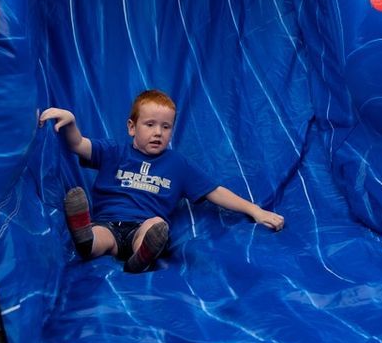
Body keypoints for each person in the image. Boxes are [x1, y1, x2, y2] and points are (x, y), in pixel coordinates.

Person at [38, 89, 284, 272]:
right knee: (100, 237)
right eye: (150, 125)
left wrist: (255, 210)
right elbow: (78, 145)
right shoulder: (113, 152)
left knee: (155, 226)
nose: (158, 132)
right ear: (132, 127)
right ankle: (86, 241)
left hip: (143, 226)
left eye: (166, 127)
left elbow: (215, 191)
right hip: (108, 223)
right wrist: (70, 121)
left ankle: (142, 257)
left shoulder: (178, 164)